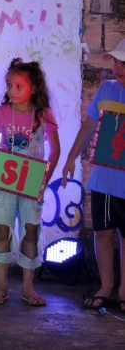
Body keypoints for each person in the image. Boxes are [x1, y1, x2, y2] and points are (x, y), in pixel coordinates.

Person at [0, 59, 60, 307]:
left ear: (34, 88)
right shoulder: (1, 112)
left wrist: (43, 181)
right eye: (9, 85)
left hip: (31, 186)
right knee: (2, 230)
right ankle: (2, 286)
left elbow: (55, 150)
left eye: (19, 86)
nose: (12, 90)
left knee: (30, 231)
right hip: (4, 184)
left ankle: (28, 288)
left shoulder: (44, 114)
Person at [63, 39, 125, 312]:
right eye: (117, 62)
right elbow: (89, 125)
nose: (118, 68)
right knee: (102, 232)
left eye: (124, 63)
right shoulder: (106, 89)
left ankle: (124, 291)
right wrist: (70, 157)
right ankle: (106, 288)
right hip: (103, 178)